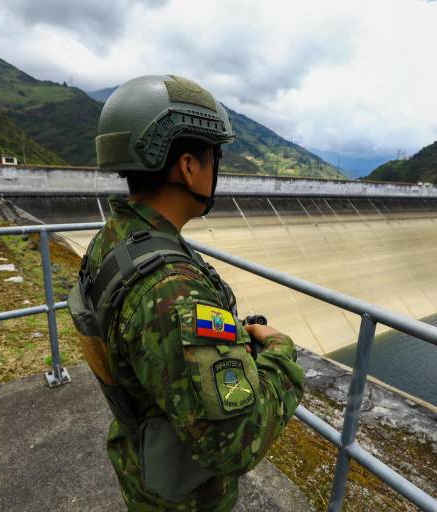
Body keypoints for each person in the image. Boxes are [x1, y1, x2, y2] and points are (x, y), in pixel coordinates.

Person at [67, 75, 305, 512]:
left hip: (142, 460)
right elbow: (236, 445)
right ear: (189, 167)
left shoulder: (118, 239)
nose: (217, 169)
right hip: (180, 497)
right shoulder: (174, 291)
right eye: (215, 156)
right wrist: (279, 352)